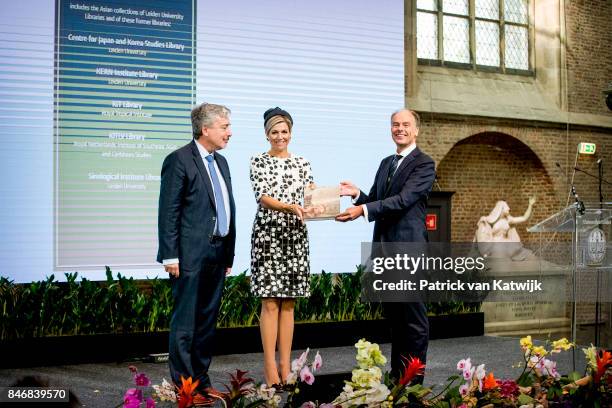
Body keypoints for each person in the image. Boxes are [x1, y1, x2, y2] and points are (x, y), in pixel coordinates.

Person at [336, 109, 435, 381]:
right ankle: (397, 378)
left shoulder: (424, 164)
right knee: (397, 319)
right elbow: (379, 200)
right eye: (395, 124)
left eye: (405, 125)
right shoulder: (386, 163)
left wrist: (362, 209)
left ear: (416, 130)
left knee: (413, 321)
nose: (399, 129)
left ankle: (414, 383)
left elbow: (403, 201)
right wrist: (357, 195)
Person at [157, 103, 236, 393]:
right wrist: (170, 254)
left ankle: (202, 382)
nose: (230, 132)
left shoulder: (222, 162)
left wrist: (228, 253)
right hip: (188, 255)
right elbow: (169, 211)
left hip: (218, 253)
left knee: (206, 323)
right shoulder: (178, 160)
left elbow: (226, 207)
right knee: (186, 323)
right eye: (225, 126)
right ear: (206, 129)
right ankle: (185, 387)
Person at [249, 107, 313, 387]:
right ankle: (269, 367)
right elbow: (262, 197)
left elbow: (311, 195)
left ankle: (287, 366)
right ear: (266, 134)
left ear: (291, 132)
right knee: (270, 302)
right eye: (274, 131)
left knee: (289, 303)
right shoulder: (258, 161)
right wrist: (290, 206)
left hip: (295, 236)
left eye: (284, 131)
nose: (280, 136)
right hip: (268, 235)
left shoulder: (303, 162)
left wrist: (320, 205)